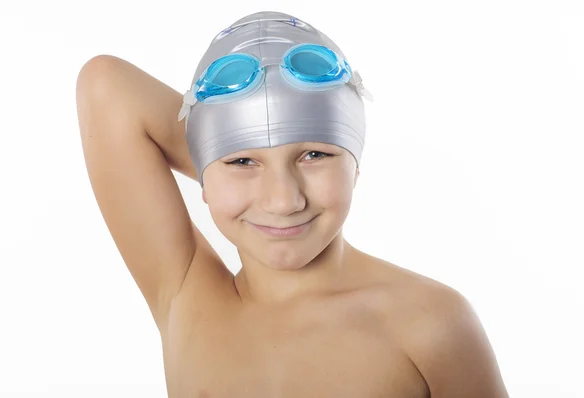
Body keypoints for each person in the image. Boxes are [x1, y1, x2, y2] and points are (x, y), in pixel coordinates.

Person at [75, 10, 509, 398]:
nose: (283, 200)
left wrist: (233, 160)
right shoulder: (189, 296)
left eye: (315, 155)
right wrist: (218, 157)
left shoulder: (430, 325)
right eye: (242, 161)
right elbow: (105, 84)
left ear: (355, 166)